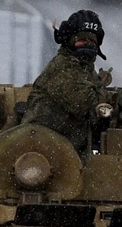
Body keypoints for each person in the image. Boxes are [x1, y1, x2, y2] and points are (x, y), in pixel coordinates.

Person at [23, 10, 114, 153]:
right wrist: (103, 94)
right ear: (69, 40)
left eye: (92, 41)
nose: (88, 44)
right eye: (82, 39)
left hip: (65, 150)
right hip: (43, 150)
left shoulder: (84, 69)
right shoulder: (64, 68)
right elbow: (87, 104)